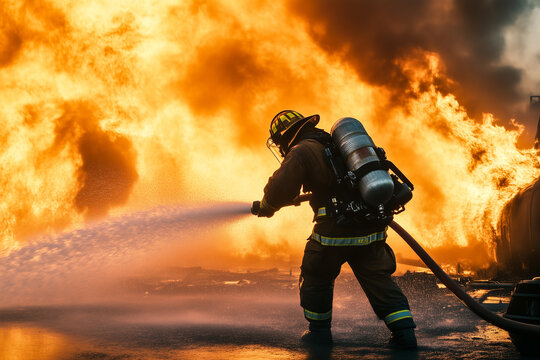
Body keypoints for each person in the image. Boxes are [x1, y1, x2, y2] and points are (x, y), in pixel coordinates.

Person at [252, 110, 417, 349]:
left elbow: (281, 187)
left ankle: (319, 333)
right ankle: (405, 334)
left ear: (284, 137)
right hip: (369, 229)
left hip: (333, 235)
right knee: (379, 280)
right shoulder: (338, 145)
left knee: (316, 276)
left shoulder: (301, 151)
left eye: (279, 142)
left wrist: (267, 206)